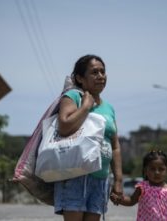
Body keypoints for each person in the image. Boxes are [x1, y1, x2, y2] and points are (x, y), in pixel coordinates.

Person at [55, 54, 124, 221]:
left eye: (103, 71)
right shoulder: (72, 97)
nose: (100, 76)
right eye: (94, 72)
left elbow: (115, 145)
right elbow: (63, 126)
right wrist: (86, 106)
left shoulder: (109, 108)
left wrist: (118, 180)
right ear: (80, 78)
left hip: (100, 179)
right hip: (75, 177)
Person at [112, 150, 167, 221]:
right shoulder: (142, 187)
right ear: (146, 170)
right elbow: (131, 200)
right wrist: (120, 199)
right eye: (152, 169)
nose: (157, 172)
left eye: (161, 169)